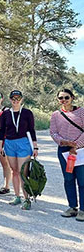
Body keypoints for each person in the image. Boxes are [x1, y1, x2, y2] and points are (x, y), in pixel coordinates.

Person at [0, 90, 38, 210]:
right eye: (13, 99)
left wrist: (35, 147)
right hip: (9, 143)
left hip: (23, 143)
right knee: (14, 171)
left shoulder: (27, 113)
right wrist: (0, 145)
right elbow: (1, 131)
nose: (15, 101)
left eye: (18, 99)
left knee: (23, 172)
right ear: (10, 100)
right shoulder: (5, 113)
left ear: (21, 100)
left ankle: (27, 199)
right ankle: (17, 196)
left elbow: (32, 130)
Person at [50, 89, 84, 220]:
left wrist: (76, 145)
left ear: (72, 98)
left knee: (82, 180)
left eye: (66, 97)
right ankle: (72, 207)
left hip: (80, 151)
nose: (63, 100)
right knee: (68, 179)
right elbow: (53, 132)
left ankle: (83, 209)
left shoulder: (81, 111)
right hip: (64, 151)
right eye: (60, 98)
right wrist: (62, 141)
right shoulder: (55, 115)